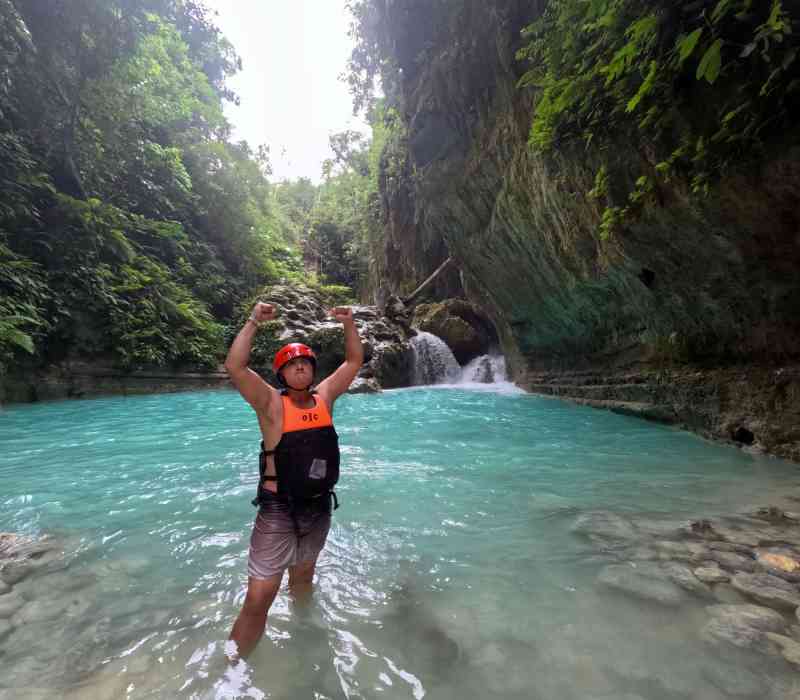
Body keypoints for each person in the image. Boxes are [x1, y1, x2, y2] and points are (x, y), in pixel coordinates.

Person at [224, 301, 363, 660]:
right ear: (281, 375)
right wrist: (254, 320)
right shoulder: (270, 404)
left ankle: (305, 637)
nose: (300, 369)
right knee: (258, 597)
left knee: (303, 579)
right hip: (279, 511)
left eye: (305, 364)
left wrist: (349, 324)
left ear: (313, 371)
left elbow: (353, 363)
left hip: (318, 508)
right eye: (292, 366)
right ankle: (231, 668)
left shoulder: (325, 398)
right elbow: (235, 367)